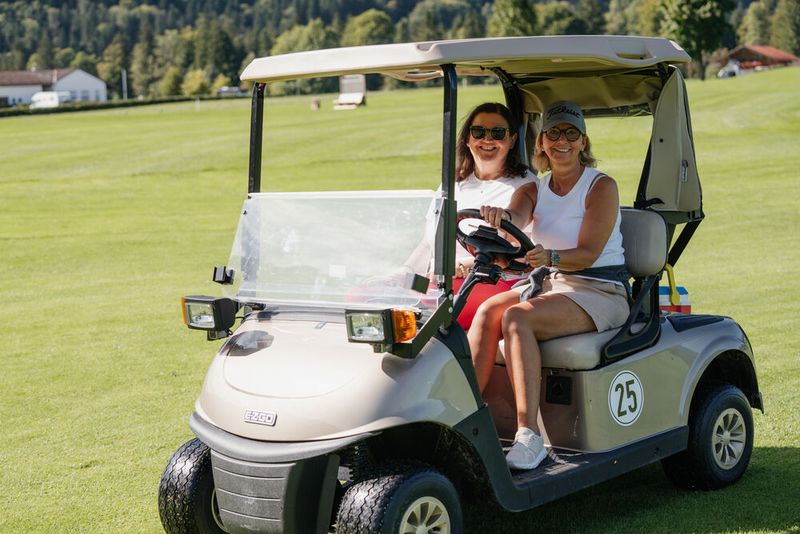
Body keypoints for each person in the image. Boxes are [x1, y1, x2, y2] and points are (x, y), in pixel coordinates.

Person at [470, 101, 630, 470]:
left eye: (571, 134)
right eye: (554, 134)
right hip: (552, 285)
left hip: (599, 290)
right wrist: (502, 219)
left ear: (582, 142)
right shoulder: (533, 189)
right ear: (541, 142)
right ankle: (468, 419)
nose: (563, 142)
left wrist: (551, 258)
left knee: (516, 320)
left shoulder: (600, 186)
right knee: (485, 313)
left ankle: (529, 435)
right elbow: (518, 216)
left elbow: (588, 253)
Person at [407, 102, 536, 329]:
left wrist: (462, 265)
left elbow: (521, 251)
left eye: (498, 133)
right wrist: (404, 272)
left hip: (495, 280)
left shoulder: (524, 186)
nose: (487, 139)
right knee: (376, 298)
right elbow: (429, 242)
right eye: (479, 132)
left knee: (432, 316)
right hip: (441, 280)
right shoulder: (454, 182)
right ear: (468, 138)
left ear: (512, 140)